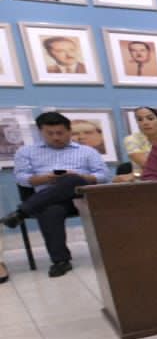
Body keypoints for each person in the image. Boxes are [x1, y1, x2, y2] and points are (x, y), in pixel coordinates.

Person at [2, 112, 111, 276]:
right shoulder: (26, 152)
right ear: (41, 132)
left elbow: (103, 176)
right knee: (50, 210)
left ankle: (21, 212)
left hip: (80, 198)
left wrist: (79, 177)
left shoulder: (87, 151)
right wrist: (45, 179)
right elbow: (21, 178)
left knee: (71, 179)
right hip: (47, 199)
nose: (55, 137)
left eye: (60, 133)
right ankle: (61, 261)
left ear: (69, 131)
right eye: (50, 133)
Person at [121, 106, 157, 180]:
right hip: (143, 181)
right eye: (140, 120)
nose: (145, 123)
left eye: (150, 118)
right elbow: (150, 165)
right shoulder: (131, 140)